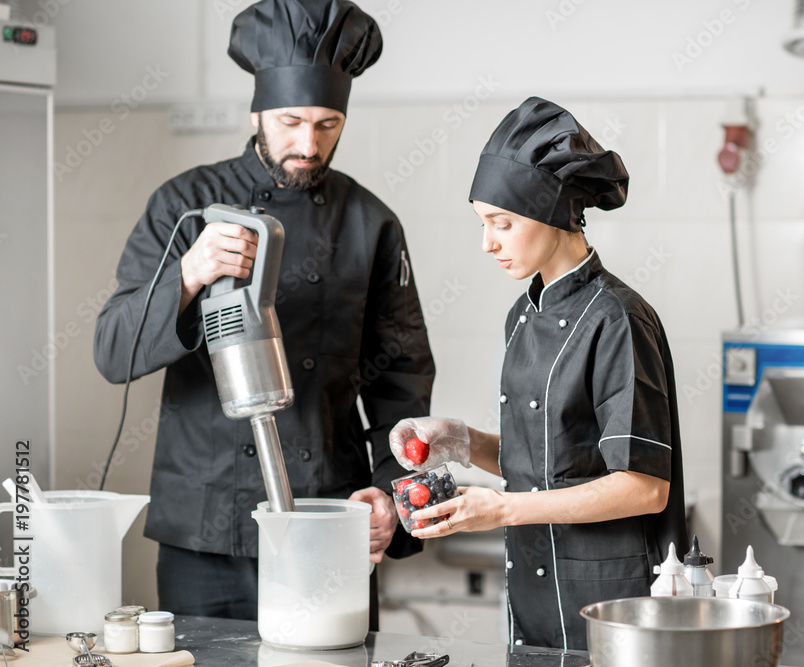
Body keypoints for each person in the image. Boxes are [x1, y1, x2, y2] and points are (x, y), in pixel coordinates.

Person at [93, 0, 434, 622]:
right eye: (290, 121)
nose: (308, 144)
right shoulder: (185, 205)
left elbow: (402, 387)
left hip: (327, 524)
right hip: (205, 535)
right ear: (256, 111)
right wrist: (189, 274)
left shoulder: (370, 224)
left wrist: (389, 495)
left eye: (328, 124)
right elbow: (112, 351)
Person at [389, 97, 688, 651]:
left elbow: (644, 486)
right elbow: (553, 458)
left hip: (609, 603)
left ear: (552, 212)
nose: (488, 243)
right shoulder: (523, 316)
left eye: (502, 223)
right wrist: (459, 442)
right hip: (532, 596)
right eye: (482, 223)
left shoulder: (617, 319)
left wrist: (500, 508)